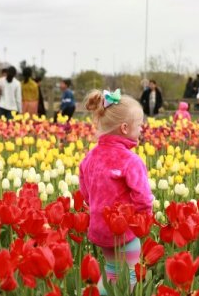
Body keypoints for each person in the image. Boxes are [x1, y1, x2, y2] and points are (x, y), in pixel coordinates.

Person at [79, 89, 153, 294]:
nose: (141, 130)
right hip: (127, 230)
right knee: (132, 275)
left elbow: (85, 192)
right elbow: (143, 198)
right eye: (139, 126)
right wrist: (145, 221)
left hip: (100, 229)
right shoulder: (131, 161)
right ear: (125, 128)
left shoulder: (89, 157)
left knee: (111, 271)